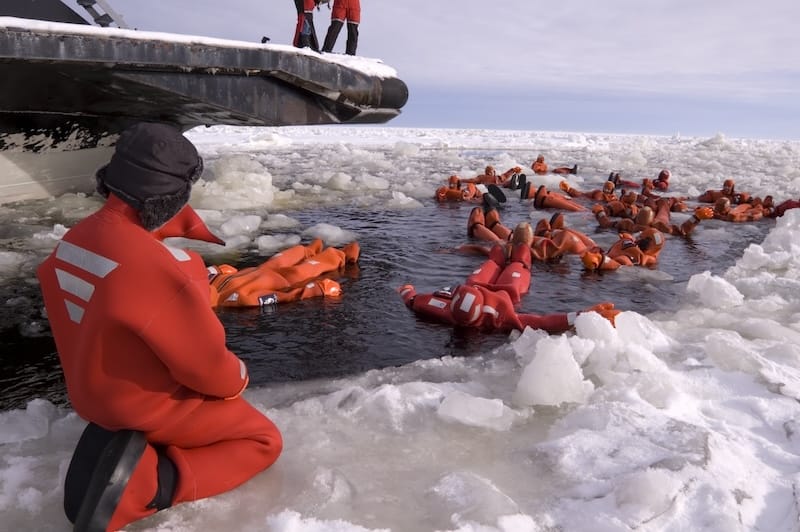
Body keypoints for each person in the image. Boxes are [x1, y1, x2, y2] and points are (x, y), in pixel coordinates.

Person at [36, 123, 283, 531]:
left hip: (89, 395)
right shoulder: (161, 270)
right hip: (141, 406)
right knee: (262, 440)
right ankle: (149, 485)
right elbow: (207, 371)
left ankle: (131, 448)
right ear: (172, 197)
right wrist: (238, 380)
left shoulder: (74, 240)